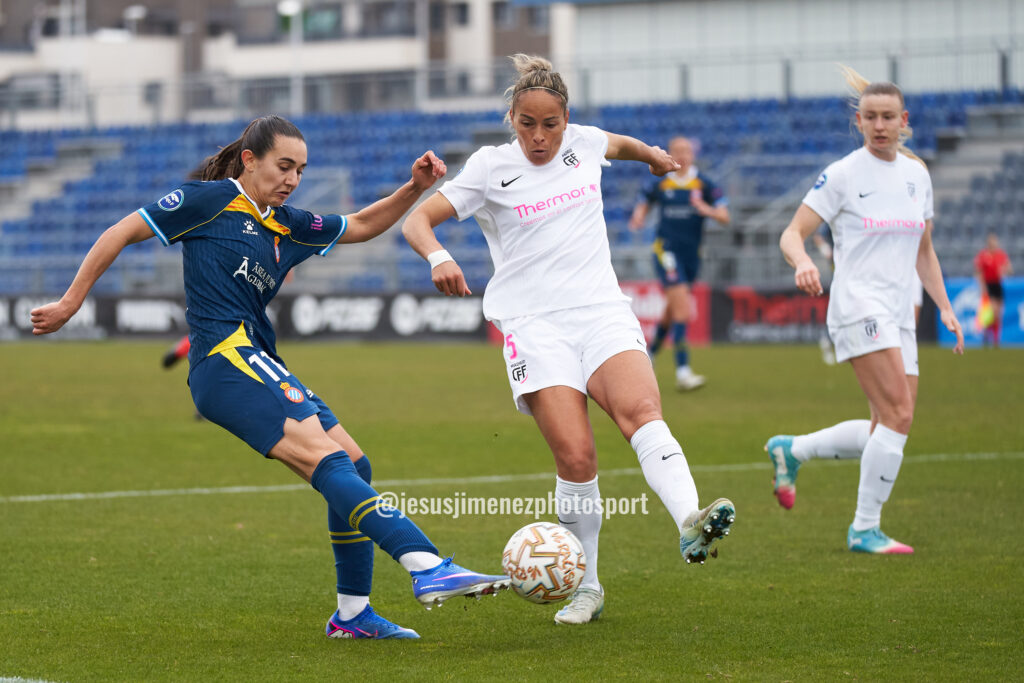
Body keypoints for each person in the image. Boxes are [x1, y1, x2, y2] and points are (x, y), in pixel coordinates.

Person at [30, 114, 509, 640]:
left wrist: (414, 188)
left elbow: (366, 224)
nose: (292, 179)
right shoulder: (207, 200)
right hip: (224, 359)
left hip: (259, 360)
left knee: (353, 462)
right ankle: (427, 565)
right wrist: (71, 302)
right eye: (284, 166)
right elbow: (122, 230)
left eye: (300, 170)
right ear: (250, 160)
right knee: (327, 459)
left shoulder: (288, 222)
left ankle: (352, 615)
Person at [401, 55, 735, 626]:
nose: (538, 136)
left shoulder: (585, 143)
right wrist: (439, 255)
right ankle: (588, 587)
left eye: (549, 124)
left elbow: (620, 144)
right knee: (576, 457)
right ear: (512, 117)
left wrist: (654, 156)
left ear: (566, 119)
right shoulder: (490, 167)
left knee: (642, 412)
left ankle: (688, 520)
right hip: (533, 326)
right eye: (526, 123)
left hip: (601, 311)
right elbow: (416, 221)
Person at [765, 67, 965, 554]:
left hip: (900, 312)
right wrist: (803, 261)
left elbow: (924, 251)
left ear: (904, 120)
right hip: (857, 305)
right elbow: (791, 233)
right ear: (858, 121)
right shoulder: (843, 174)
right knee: (897, 414)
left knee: (890, 422)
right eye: (870, 117)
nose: (879, 125)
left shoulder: (918, 175)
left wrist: (945, 307)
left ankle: (793, 449)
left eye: (888, 117)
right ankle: (863, 529)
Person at [628, 136, 730, 390]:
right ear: (670, 154)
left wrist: (707, 210)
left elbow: (725, 216)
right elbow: (643, 204)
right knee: (683, 310)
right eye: (678, 151)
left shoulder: (704, 184)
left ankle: (648, 355)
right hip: (666, 251)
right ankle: (683, 372)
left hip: (691, 255)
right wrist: (638, 217)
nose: (682, 155)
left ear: (693, 154)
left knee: (672, 311)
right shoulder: (661, 182)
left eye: (686, 151)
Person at [974, 232, 1012, 347]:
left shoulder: (1001, 255)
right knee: (988, 313)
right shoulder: (983, 255)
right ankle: (986, 336)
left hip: (997, 285)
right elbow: (978, 271)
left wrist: (1004, 270)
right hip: (988, 285)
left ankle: (996, 340)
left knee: (997, 314)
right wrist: (982, 286)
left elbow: (1009, 269)